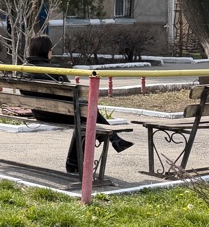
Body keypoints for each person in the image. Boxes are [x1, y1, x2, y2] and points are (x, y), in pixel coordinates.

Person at [24, 34, 132, 175]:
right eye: (51, 49)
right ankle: (109, 140)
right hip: (57, 113)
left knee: (84, 113)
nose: (52, 52)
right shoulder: (54, 72)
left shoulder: (24, 70)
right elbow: (72, 94)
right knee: (85, 115)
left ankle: (110, 140)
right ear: (46, 51)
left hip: (38, 112)